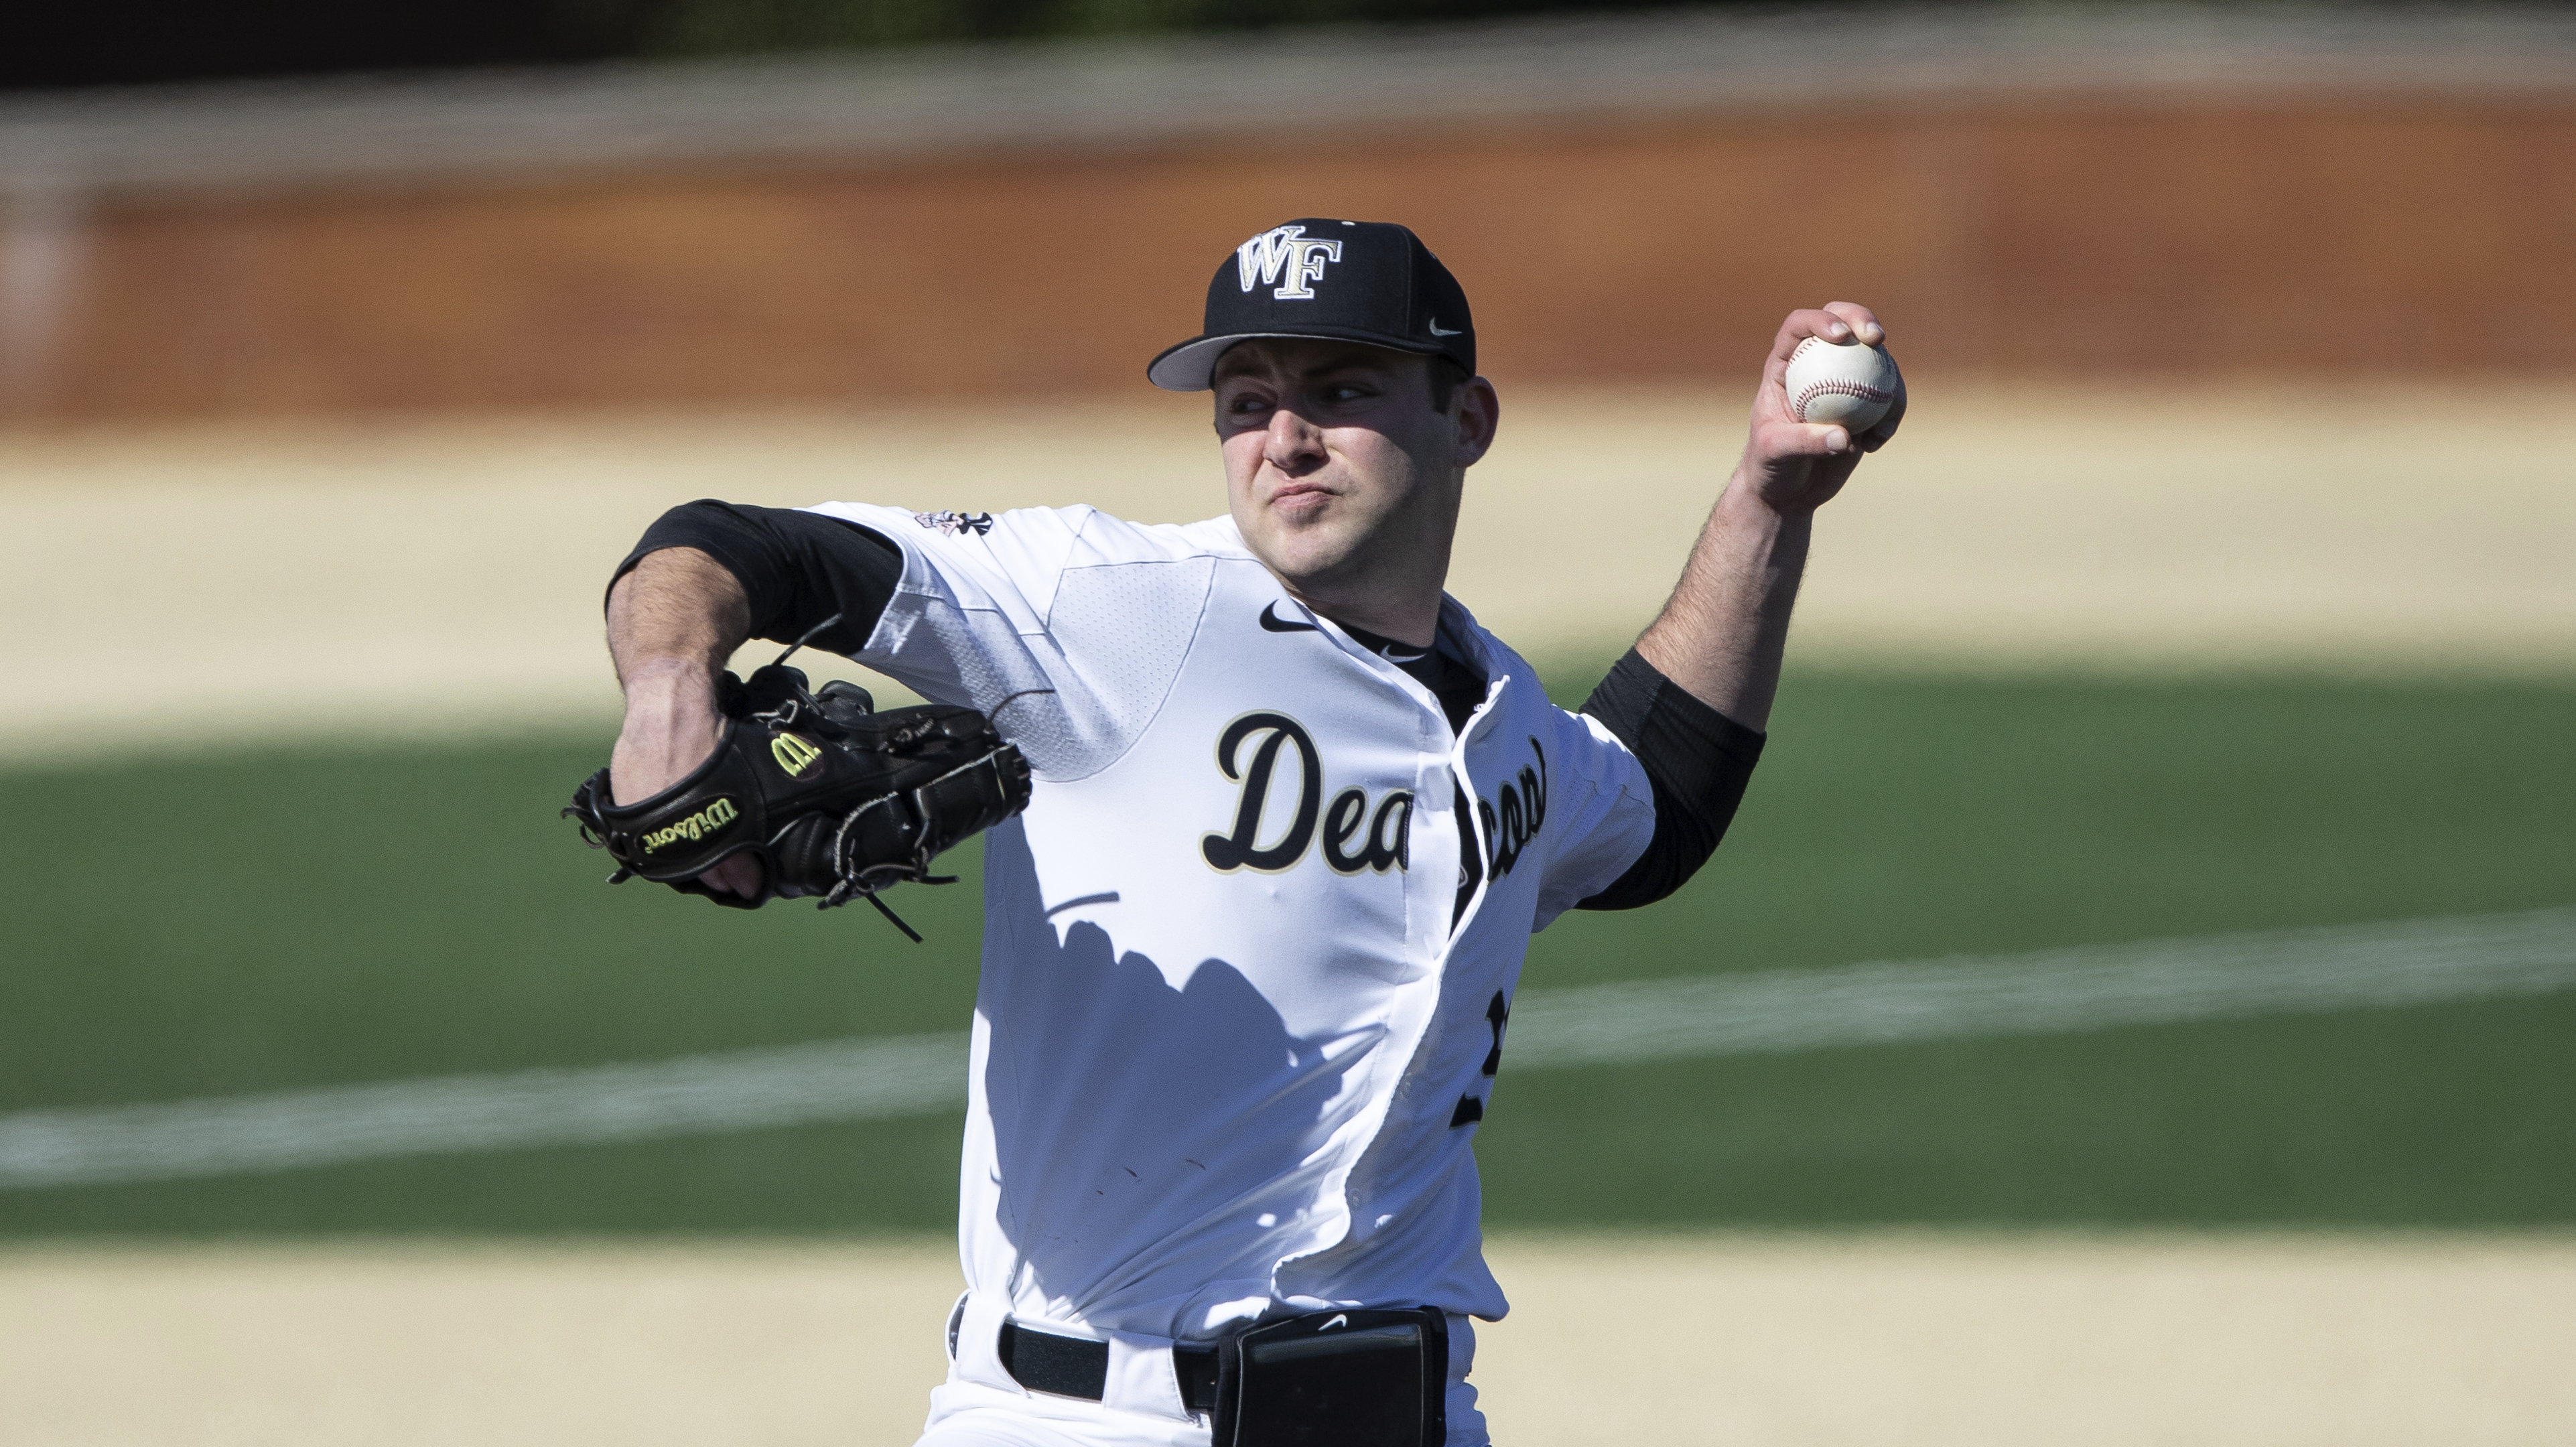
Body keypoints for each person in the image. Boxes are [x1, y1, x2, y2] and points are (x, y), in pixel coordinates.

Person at [599, 218, 1900, 1447]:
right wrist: (669, 692)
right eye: (1245, 400)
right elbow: (731, 547)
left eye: (1339, 390)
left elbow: (1656, 804)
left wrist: (1768, 504)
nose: (1285, 437)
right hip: (1084, 1420)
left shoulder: (1502, 713)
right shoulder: (1107, 612)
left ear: (1468, 419)